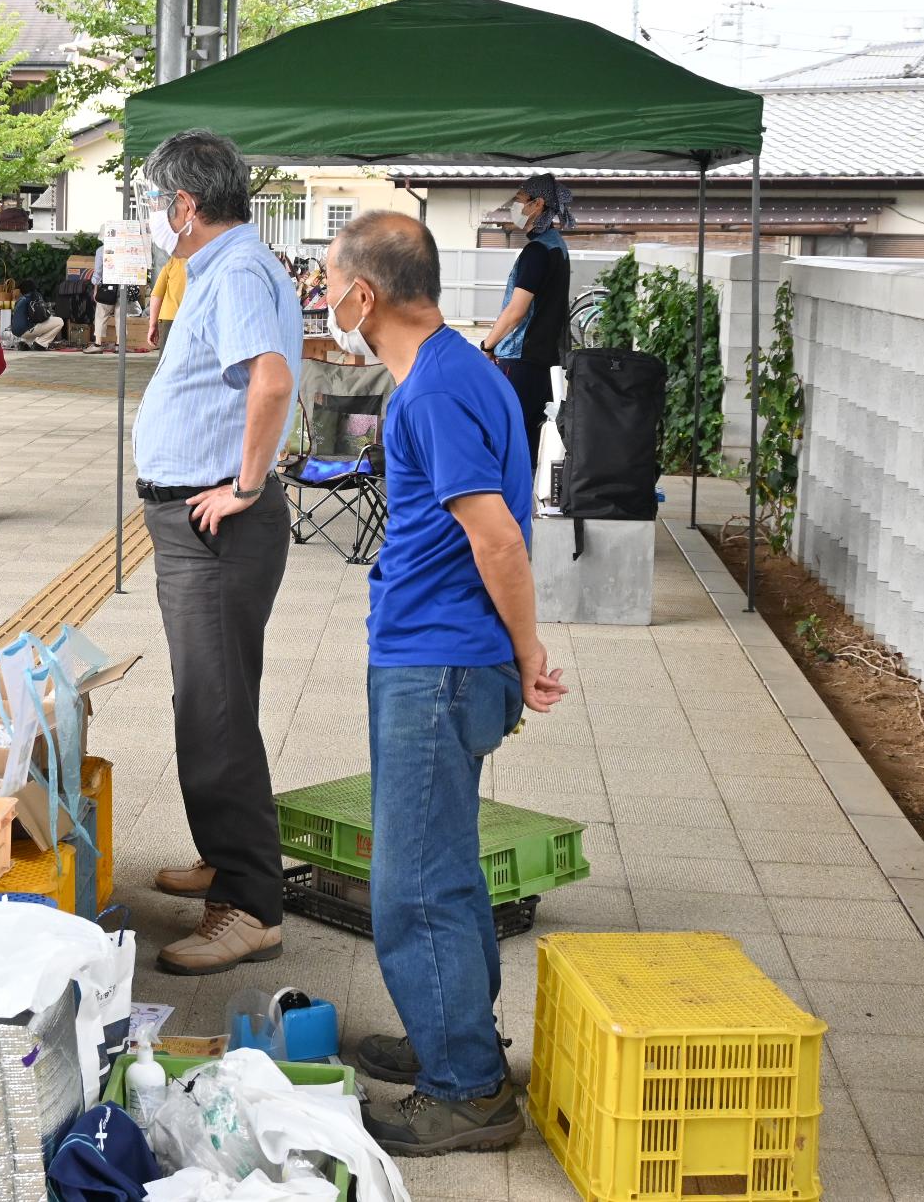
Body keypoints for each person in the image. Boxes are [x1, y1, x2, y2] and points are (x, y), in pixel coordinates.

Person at [320, 211, 568, 1156]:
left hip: (440, 664)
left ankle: (466, 1088)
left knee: (412, 886)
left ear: (367, 293)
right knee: (447, 869)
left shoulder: (432, 392)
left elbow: (496, 535)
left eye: (331, 279)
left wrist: (528, 650)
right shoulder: (459, 367)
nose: (324, 294)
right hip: (443, 655)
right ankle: (454, 1038)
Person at [131, 129, 301, 976]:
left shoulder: (233, 270)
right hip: (201, 523)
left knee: (215, 709)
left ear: (184, 206)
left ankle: (249, 904)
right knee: (217, 696)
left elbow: (269, 379)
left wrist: (244, 482)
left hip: (218, 524)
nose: (156, 216)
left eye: (158, 202)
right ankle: (230, 855)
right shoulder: (232, 265)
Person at [480, 174, 573, 472]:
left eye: (519, 200)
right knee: (532, 439)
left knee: (509, 440)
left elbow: (516, 310)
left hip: (521, 358)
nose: (514, 206)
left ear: (538, 204)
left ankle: (509, 510)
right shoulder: (557, 246)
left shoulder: (537, 252)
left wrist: (488, 344)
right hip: (546, 359)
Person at [140, 252, 186, 353]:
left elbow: (157, 295)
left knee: (168, 360)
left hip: (171, 318)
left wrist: (153, 325)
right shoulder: (212, 260)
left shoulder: (174, 261)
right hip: (199, 318)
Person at [6, 282, 64, 350]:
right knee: (60, 321)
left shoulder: (19, 300)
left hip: (16, 332)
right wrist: (48, 314)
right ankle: (41, 343)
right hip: (27, 330)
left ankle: (25, 343)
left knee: (35, 324)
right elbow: (41, 317)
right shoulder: (34, 297)